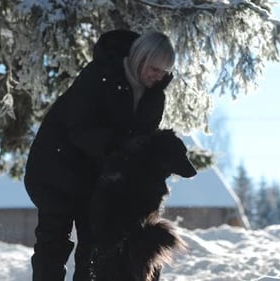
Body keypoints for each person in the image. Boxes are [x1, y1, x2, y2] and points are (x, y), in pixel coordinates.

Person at [24, 29, 176, 281]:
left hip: (95, 176)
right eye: (153, 68)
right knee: (54, 242)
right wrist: (120, 144)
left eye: (164, 71)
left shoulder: (154, 98)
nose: (157, 76)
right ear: (140, 57)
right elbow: (80, 129)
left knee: (94, 246)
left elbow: (142, 143)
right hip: (55, 167)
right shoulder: (100, 75)